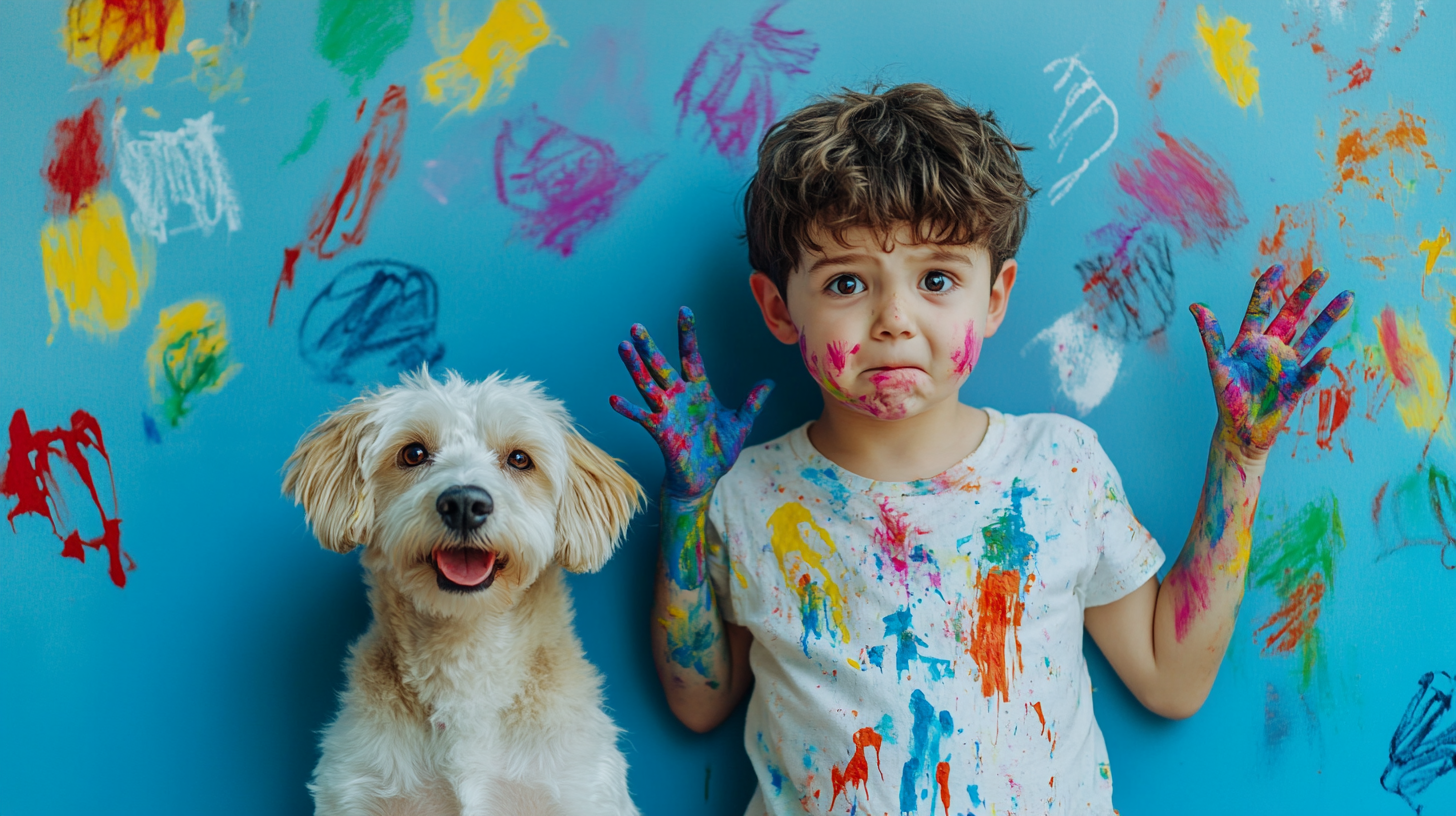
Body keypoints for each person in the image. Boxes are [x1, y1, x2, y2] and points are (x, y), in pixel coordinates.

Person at [609, 83, 1353, 816]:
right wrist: (686, 503)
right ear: (779, 309)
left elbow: (1171, 679)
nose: (894, 318)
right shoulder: (747, 493)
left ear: (994, 298)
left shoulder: (1059, 467)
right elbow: (700, 702)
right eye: (845, 283)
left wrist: (1240, 456)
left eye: (936, 279)